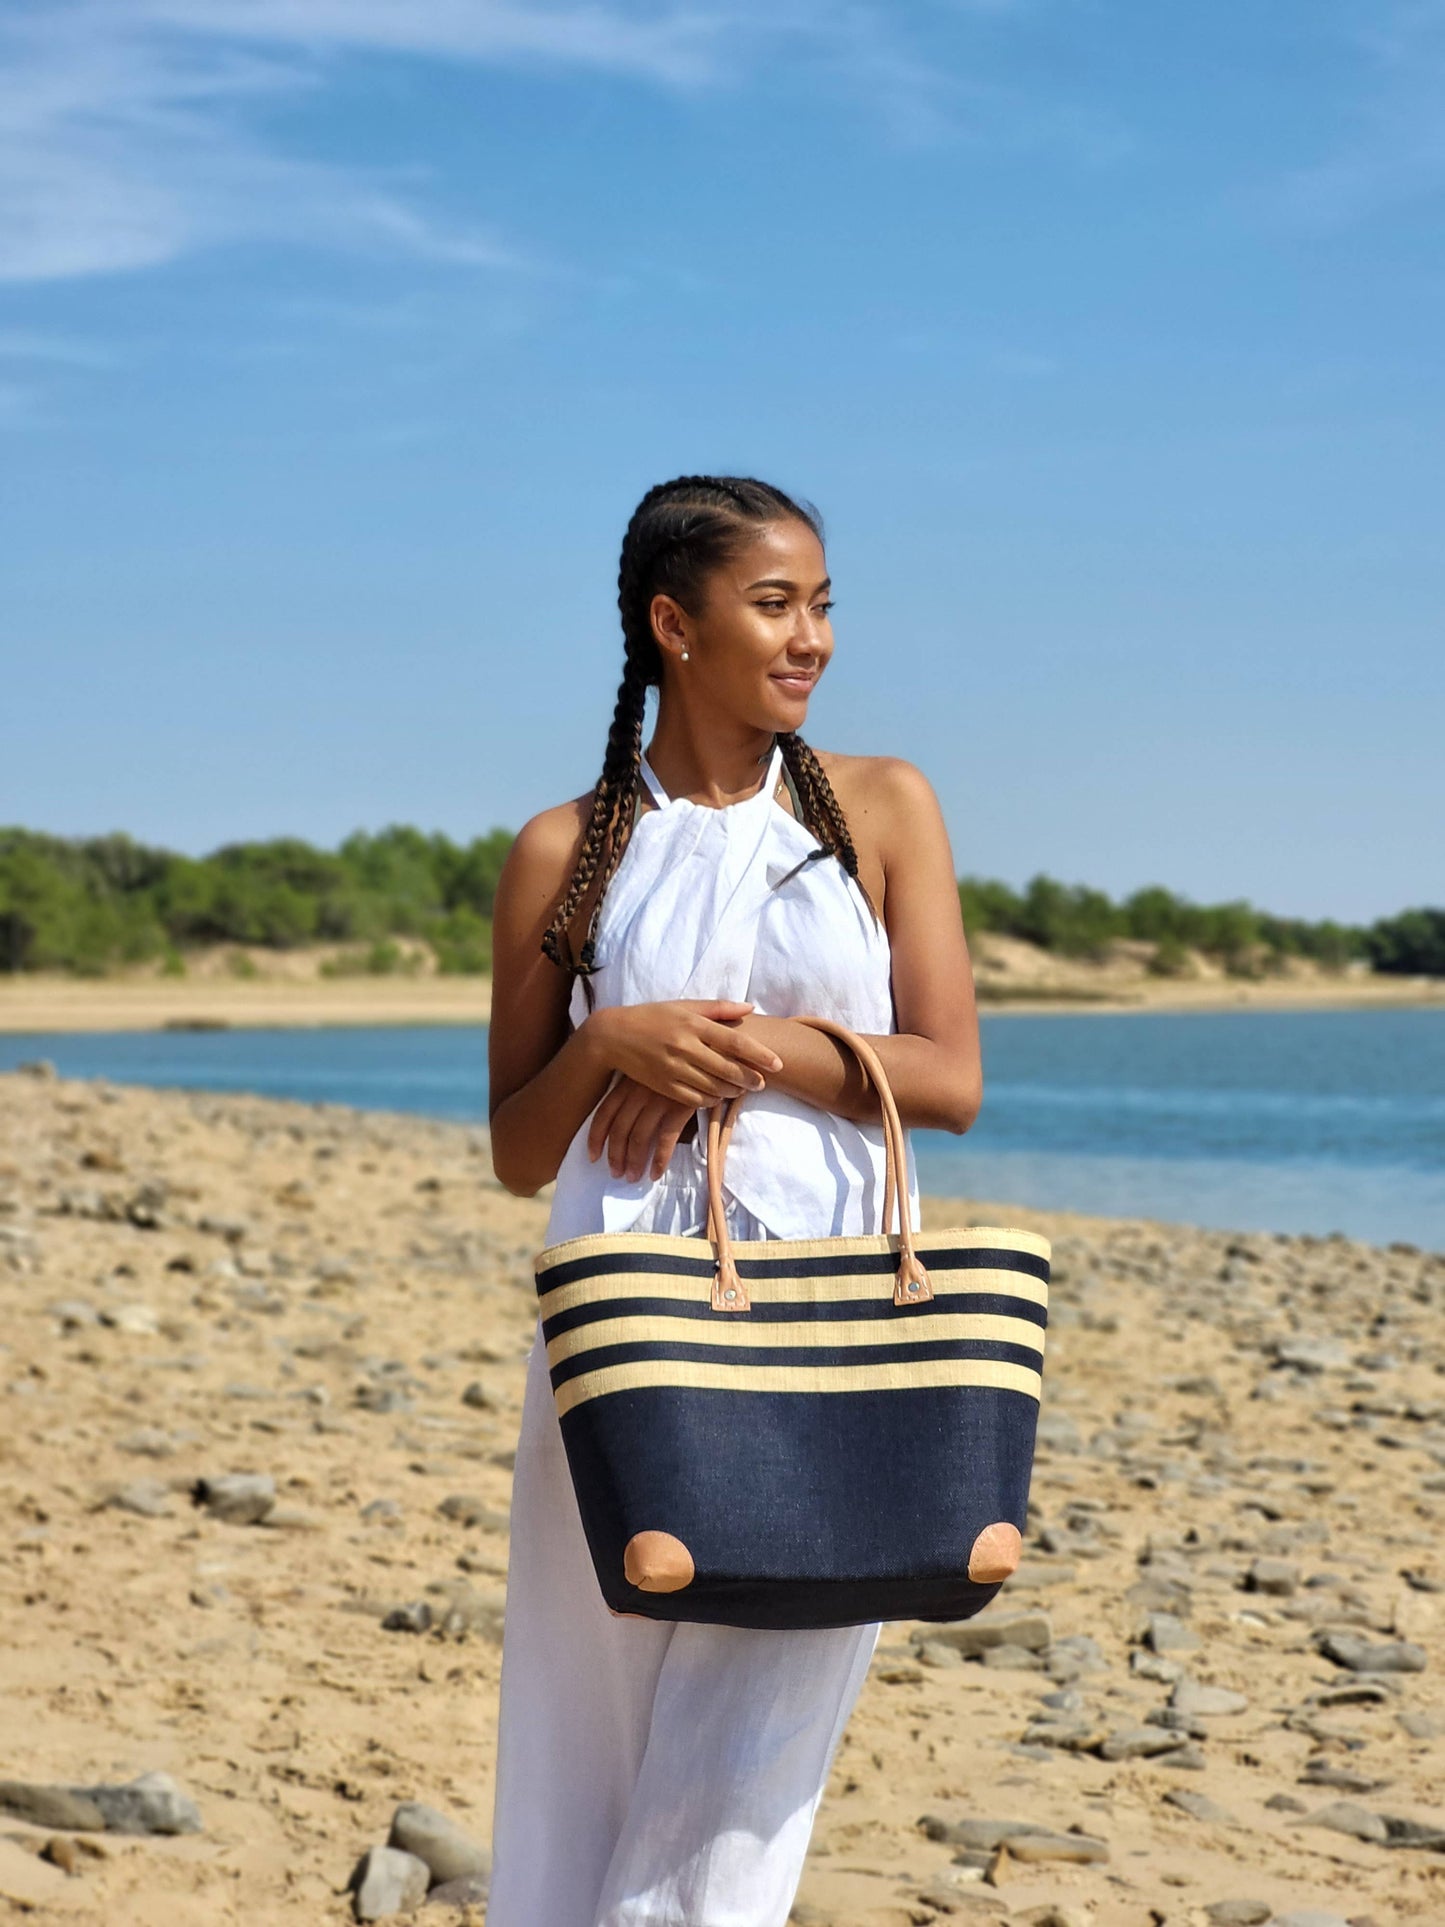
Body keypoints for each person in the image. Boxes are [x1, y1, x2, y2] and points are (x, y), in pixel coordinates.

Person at [484, 474, 982, 1927]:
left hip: (830, 1333)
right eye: (775, 602)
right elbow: (521, 1148)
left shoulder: (882, 807)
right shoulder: (562, 849)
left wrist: (747, 1052)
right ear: (670, 623)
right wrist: (602, 1043)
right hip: (618, 1329)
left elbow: (946, 1078)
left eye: (822, 603)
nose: (811, 635)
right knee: (589, 1741)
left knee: (745, 1763)